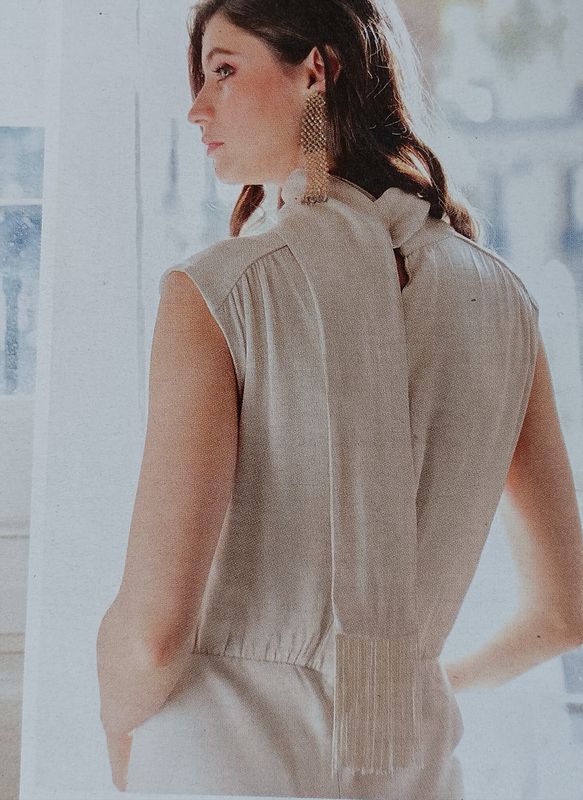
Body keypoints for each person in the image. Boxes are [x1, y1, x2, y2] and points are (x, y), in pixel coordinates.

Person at [96, 0, 583, 797]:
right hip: (409, 759)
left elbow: (153, 635)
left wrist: (122, 734)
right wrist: (405, 680)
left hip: (217, 752)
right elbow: (563, 614)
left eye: (223, 70)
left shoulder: (218, 292)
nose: (197, 109)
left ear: (315, 72)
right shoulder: (503, 303)